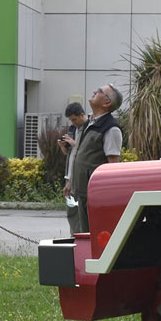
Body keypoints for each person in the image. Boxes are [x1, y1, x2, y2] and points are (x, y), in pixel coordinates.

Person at [64, 84, 123, 235]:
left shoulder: (111, 129)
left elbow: (113, 167)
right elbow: (79, 154)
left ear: (107, 103)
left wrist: (104, 198)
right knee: (79, 234)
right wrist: (71, 181)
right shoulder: (89, 123)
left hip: (93, 197)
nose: (94, 92)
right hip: (79, 192)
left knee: (90, 236)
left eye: (100, 91)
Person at [58, 101, 88, 232]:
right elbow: (69, 153)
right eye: (71, 120)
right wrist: (64, 146)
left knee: (81, 211)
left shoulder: (89, 129)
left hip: (80, 176)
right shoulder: (73, 129)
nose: (73, 122)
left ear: (82, 115)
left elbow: (87, 151)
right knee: (71, 209)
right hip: (69, 174)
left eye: (75, 119)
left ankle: (82, 236)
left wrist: (74, 144)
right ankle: (74, 234)